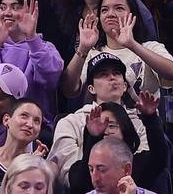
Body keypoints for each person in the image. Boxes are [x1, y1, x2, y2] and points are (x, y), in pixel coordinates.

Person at [49, 54, 156, 183]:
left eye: (117, 73)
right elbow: (66, 176)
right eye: (103, 74)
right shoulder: (71, 123)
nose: (112, 77)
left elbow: (150, 167)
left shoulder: (139, 124)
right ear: (91, 88)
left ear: (125, 86)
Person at [61, 0, 173, 99]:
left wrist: (132, 45)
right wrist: (83, 48)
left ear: (133, 15)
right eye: (104, 10)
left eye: (119, 8)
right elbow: (69, 90)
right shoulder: (92, 53)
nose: (110, 14)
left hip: (143, 119)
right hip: (101, 118)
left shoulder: (150, 47)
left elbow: (172, 74)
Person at [64, 101, 166, 194]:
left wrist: (150, 118)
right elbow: (80, 185)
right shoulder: (79, 170)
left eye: (111, 125)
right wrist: (94, 137)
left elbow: (159, 157)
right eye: (92, 169)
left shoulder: (139, 163)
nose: (105, 131)